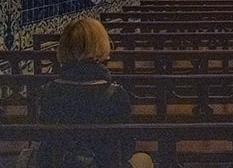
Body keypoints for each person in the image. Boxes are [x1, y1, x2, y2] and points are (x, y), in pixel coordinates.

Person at [38, 18, 153, 168]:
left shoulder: (48, 91)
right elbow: (126, 148)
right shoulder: (115, 94)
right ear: (102, 47)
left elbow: (46, 139)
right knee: (144, 159)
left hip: (61, 163)